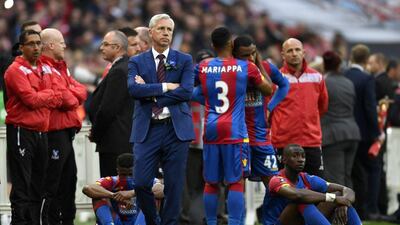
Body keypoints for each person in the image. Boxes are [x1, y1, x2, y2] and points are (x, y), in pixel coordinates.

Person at [192, 27, 273, 225]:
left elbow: (190, 92)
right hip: (235, 131)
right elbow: (268, 88)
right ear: (231, 44)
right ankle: (235, 222)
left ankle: (211, 222)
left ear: (213, 46)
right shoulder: (246, 67)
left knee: (211, 181)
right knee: (235, 181)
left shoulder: (203, 66)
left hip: (210, 128)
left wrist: (207, 99)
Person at [128, 14, 195, 225]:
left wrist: (151, 93)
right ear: (151, 32)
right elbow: (133, 90)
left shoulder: (184, 59)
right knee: (140, 182)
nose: (166, 33)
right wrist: (165, 87)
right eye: (162, 29)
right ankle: (153, 221)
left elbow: (186, 92)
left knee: (174, 186)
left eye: (169, 30)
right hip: (147, 129)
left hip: (176, 130)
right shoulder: (136, 61)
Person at [4, 30, 62, 225]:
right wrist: (47, 95)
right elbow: (30, 100)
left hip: (41, 132)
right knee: (22, 183)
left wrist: (43, 96)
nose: (36, 47)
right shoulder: (14, 70)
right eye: (31, 44)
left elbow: (59, 95)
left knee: (39, 183)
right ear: (21, 47)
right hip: (22, 130)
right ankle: (19, 222)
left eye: (38, 43)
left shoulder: (44, 68)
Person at [232, 35, 289, 222]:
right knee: (236, 185)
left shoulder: (266, 67)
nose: (249, 58)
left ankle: (270, 221)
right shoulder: (230, 70)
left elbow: (284, 85)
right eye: (244, 55)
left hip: (261, 137)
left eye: (252, 53)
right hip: (238, 138)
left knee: (273, 183)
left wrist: (271, 106)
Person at [39, 28, 87, 225]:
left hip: (66, 133)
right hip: (53, 133)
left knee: (69, 180)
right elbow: (65, 98)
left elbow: (81, 91)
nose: (65, 45)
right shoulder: (43, 67)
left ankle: (67, 221)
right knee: (53, 182)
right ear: (50, 45)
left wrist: (70, 93)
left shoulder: (61, 67)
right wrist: (70, 94)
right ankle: (49, 221)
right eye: (61, 42)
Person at [264, 144, 362, 225]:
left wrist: (343, 204)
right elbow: (298, 195)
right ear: (284, 160)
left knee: (341, 199)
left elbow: (347, 190)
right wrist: (335, 199)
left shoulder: (307, 178)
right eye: (295, 156)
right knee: (302, 201)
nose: (301, 159)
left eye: (303, 156)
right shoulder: (276, 179)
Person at [271, 38, 329, 177]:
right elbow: (269, 110)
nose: (294, 53)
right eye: (290, 50)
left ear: (303, 52)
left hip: (311, 142)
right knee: (285, 190)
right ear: (283, 55)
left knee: (316, 189)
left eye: (297, 50)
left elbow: (323, 106)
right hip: (284, 143)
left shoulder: (317, 77)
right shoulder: (275, 79)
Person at [88, 30, 133, 177]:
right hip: (121, 141)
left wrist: (95, 133)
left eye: (106, 44)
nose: (101, 47)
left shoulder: (119, 71)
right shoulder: (124, 67)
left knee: (114, 190)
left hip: (115, 143)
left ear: (117, 47)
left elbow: (108, 109)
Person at [344, 44, 381, 220]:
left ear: (351, 57)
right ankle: (370, 209)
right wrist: (376, 133)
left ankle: (352, 207)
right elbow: (369, 108)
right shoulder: (367, 79)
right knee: (372, 170)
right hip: (364, 134)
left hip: (344, 133)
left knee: (350, 172)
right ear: (366, 60)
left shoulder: (343, 76)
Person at [82, 153, 164, 225]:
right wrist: (114, 195)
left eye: (131, 174)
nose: (127, 177)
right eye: (123, 174)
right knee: (98, 196)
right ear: (118, 171)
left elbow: (162, 190)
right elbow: (87, 188)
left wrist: (132, 193)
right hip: (116, 220)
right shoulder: (111, 181)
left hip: (139, 220)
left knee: (154, 197)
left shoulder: (146, 180)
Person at [320, 51, 360, 187]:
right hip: (352, 133)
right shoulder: (349, 83)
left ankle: (340, 209)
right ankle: (350, 208)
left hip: (332, 136)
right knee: (347, 177)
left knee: (335, 179)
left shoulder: (323, 82)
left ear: (324, 65)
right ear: (339, 66)